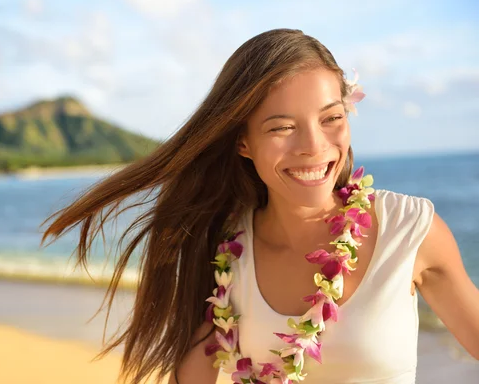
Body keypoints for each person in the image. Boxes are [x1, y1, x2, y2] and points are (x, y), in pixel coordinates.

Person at [40, 29, 479, 384]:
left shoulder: (408, 230)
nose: (314, 146)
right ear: (243, 142)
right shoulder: (225, 250)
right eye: (282, 127)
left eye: (331, 118)